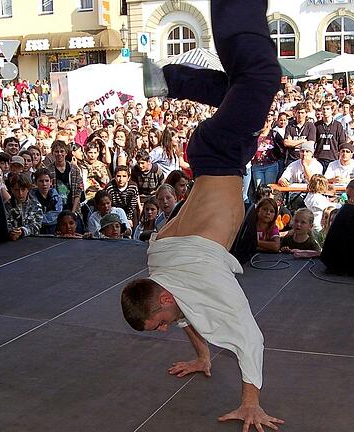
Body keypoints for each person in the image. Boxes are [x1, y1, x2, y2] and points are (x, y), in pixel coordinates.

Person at [126, 1, 284, 429]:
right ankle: (168, 80)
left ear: (162, 298)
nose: (162, 329)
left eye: (158, 323)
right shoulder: (158, 264)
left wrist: (250, 402)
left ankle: (173, 72)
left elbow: (249, 337)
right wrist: (201, 356)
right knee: (242, 83)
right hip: (212, 154)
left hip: (222, 154)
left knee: (263, 77)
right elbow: (186, 314)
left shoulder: (197, 280)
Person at [5, 173, 43, 241]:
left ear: (28, 189)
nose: (20, 194)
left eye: (23, 190)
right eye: (17, 190)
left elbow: (37, 225)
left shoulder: (35, 205)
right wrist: (12, 232)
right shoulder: (6, 206)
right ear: (12, 190)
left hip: (32, 240)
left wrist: (23, 231)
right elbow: (5, 224)